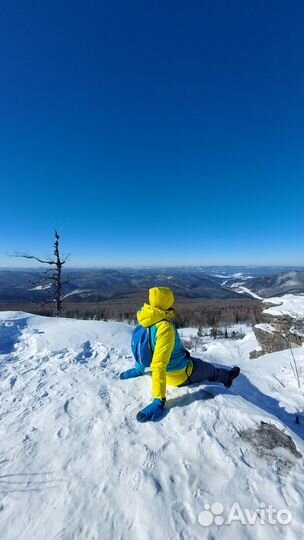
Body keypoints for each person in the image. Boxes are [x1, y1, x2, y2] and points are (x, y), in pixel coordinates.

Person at [120, 287, 240, 422]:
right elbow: (159, 364)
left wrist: (138, 370)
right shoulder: (164, 327)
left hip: (167, 368)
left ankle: (138, 370)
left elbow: (143, 346)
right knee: (209, 369)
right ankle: (228, 378)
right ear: (166, 303)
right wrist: (158, 401)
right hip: (180, 374)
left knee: (197, 362)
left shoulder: (145, 317)